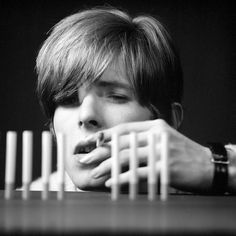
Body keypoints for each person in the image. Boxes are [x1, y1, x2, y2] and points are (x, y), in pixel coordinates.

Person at [32, 6, 236, 194]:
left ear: (169, 121)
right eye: (68, 99)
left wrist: (216, 168)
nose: (86, 116)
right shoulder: (33, 199)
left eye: (117, 97)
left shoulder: (215, 191)